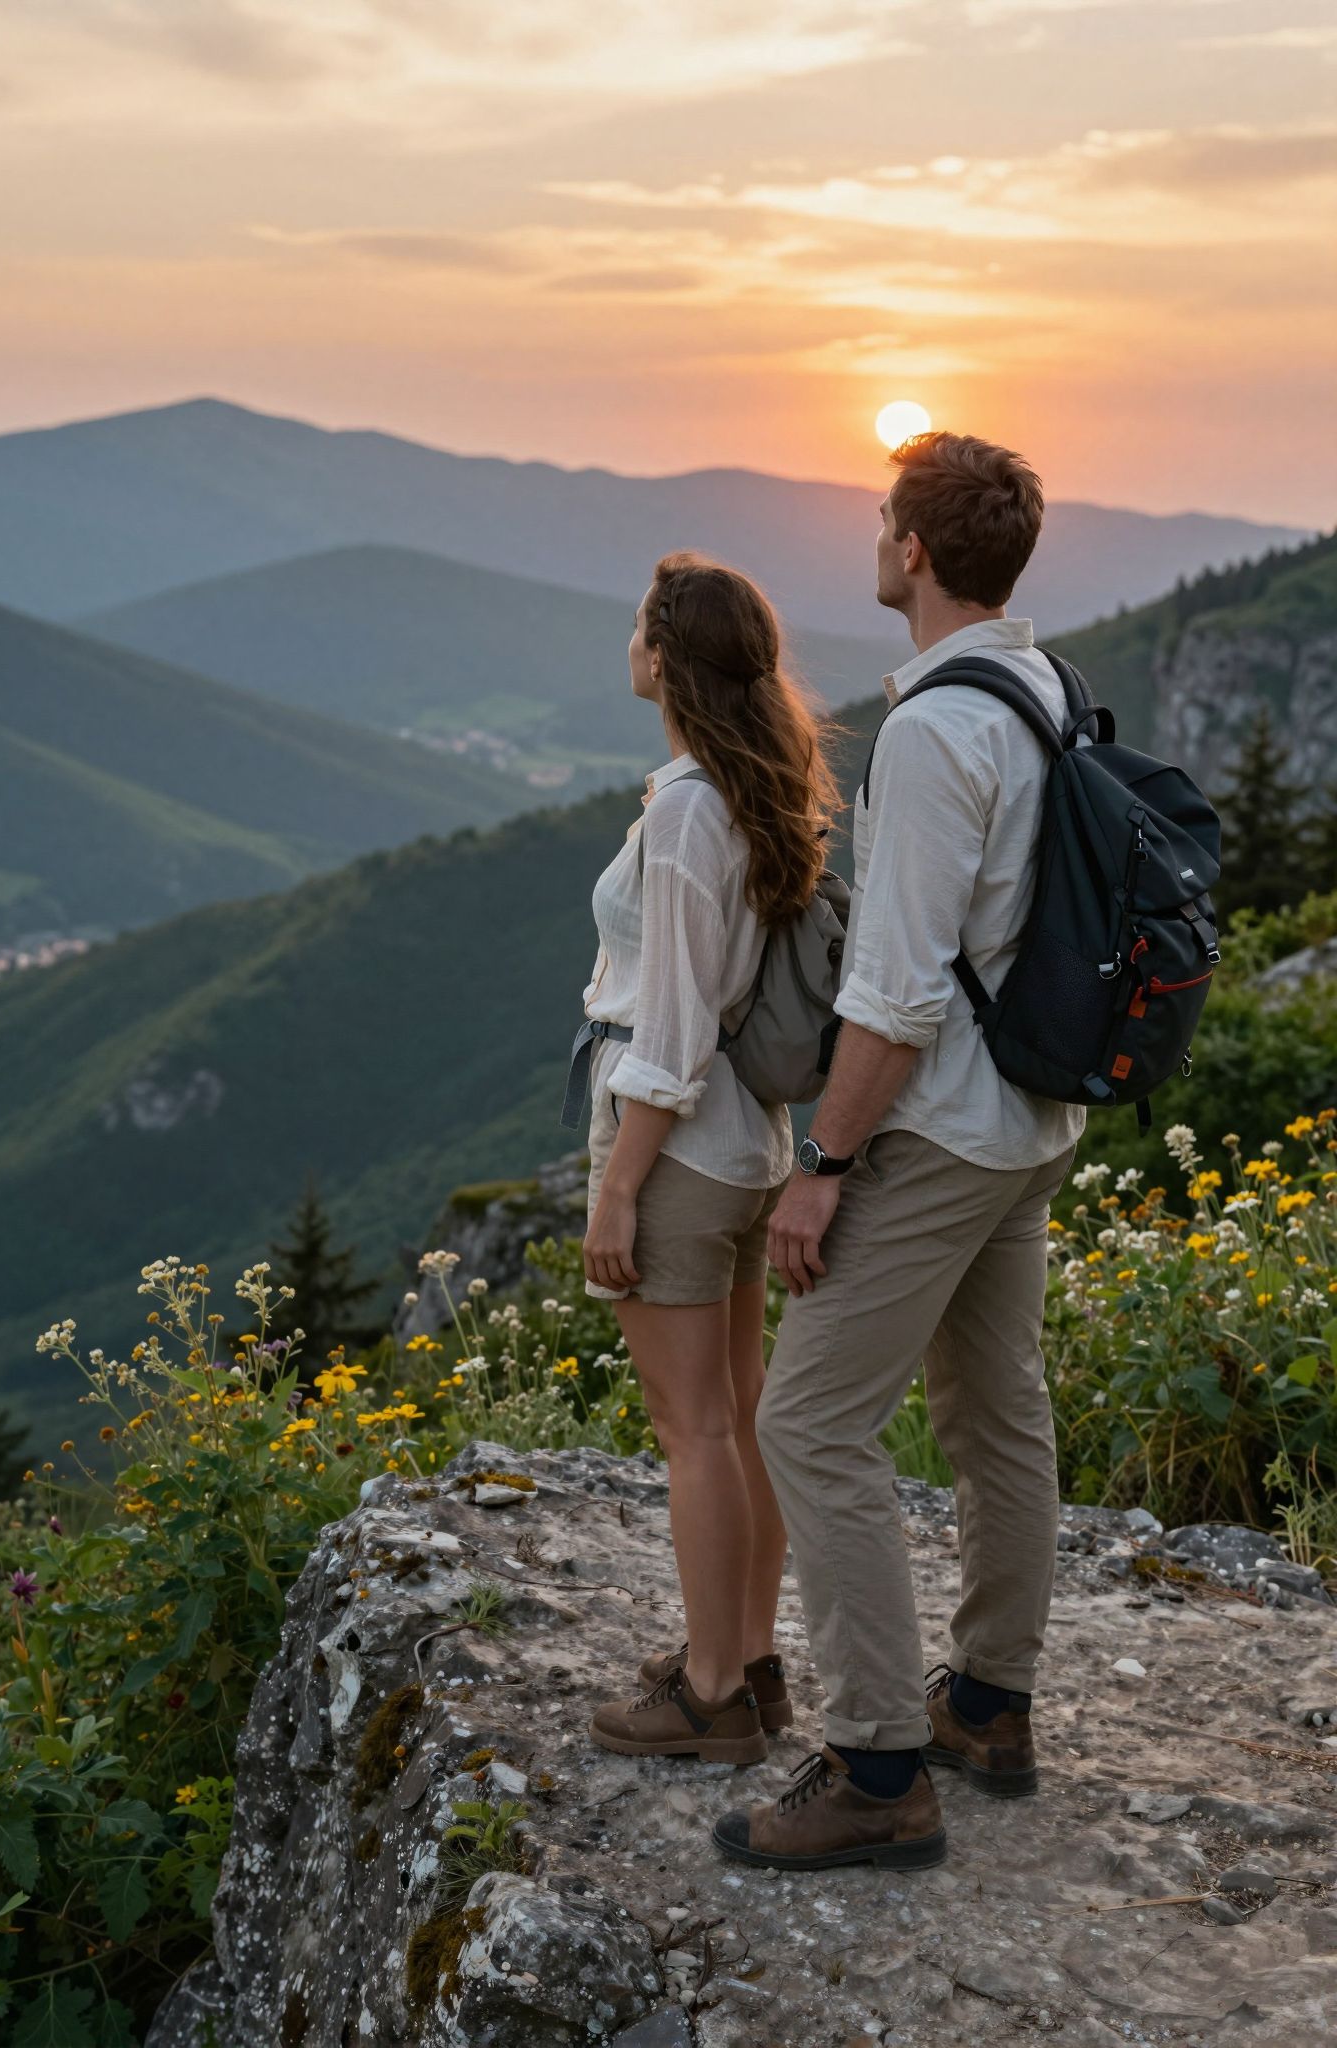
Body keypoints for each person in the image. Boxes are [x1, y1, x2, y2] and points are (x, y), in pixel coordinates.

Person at [713, 431, 1084, 1872]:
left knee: (809, 1422)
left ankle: (877, 1766)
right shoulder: (1043, 684)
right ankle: (987, 1703)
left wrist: (824, 1161)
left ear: (915, 552)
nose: (874, 539)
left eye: (883, 520)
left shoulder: (936, 729)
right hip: (1032, 1121)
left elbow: (901, 990)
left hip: (937, 1127)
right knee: (997, 1410)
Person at [562, 551, 839, 1767]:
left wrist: (617, 1188)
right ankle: (750, 1658)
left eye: (640, 625)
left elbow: (667, 1038)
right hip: (746, 1146)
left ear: (667, 657)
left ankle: (715, 1691)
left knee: (697, 1429)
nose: (629, 639)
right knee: (739, 1410)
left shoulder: (683, 813)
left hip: (676, 1145)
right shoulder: (742, 790)